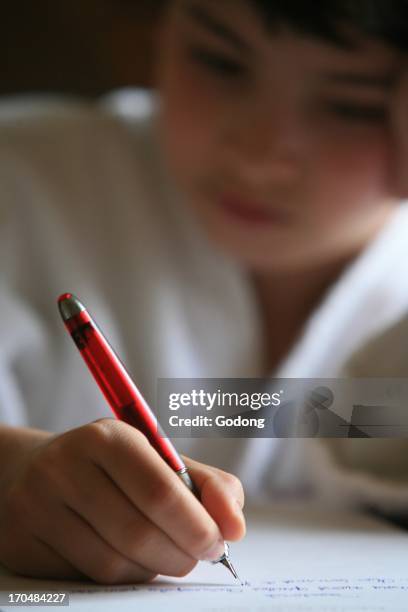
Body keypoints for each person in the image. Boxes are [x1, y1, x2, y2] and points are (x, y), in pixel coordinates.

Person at [1, 0, 408, 584]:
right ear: (161, 29)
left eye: (353, 105)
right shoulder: (18, 179)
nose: (261, 155)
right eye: (220, 62)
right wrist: (9, 471)